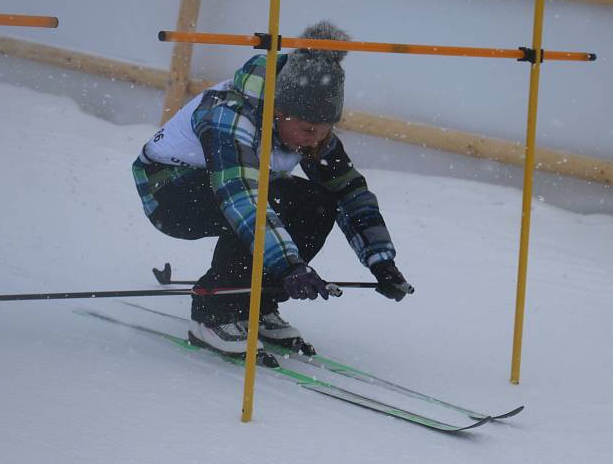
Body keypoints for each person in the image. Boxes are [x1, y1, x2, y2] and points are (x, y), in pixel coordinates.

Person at [132, 20, 413, 359]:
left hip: (243, 190)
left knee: (316, 202)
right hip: (171, 192)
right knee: (267, 201)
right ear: (278, 113)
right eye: (309, 130)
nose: (316, 140)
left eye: (325, 131)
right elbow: (243, 198)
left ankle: (256, 303)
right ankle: (215, 311)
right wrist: (289, 265)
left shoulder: (307, 124)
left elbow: (348, 190)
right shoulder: (229, 114)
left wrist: (381, 261)